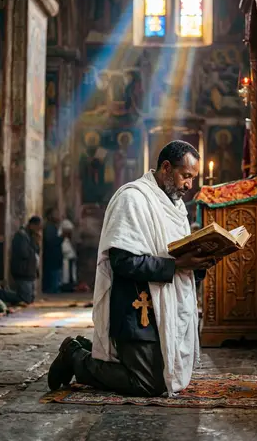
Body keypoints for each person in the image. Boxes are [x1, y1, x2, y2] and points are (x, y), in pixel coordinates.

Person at [48, 140, 215, 397]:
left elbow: (177, 257)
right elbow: (123, 262)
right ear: (166, 168)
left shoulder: (176, 208)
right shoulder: (133, 199)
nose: (189, 185)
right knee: (148, 384)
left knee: (166, 375)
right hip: (137, 309)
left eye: (193, 178)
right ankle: (76, 356)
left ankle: (84, 348)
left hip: (167, 305)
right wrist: (177, 265)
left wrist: (200, 263)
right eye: (186, 176)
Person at [11, 216, 42, 304]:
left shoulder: (30, 236)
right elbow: (24, 253)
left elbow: (36, 252)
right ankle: (0, 294)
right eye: (38, 227)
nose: (38, 230)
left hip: (29, 273)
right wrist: (33, 244)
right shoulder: (21, 236)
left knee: (30, 298)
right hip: (23, 272)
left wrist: (36, 242)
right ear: (32, 225)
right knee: (25, 298)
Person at [43, 209, 64, 294]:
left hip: (54, 255)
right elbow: (50, 241)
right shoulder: (49, 227)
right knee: (53, 273)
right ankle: (53, 289)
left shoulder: (53, 227)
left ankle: (55, 288)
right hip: (52, 255)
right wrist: (61, 238)